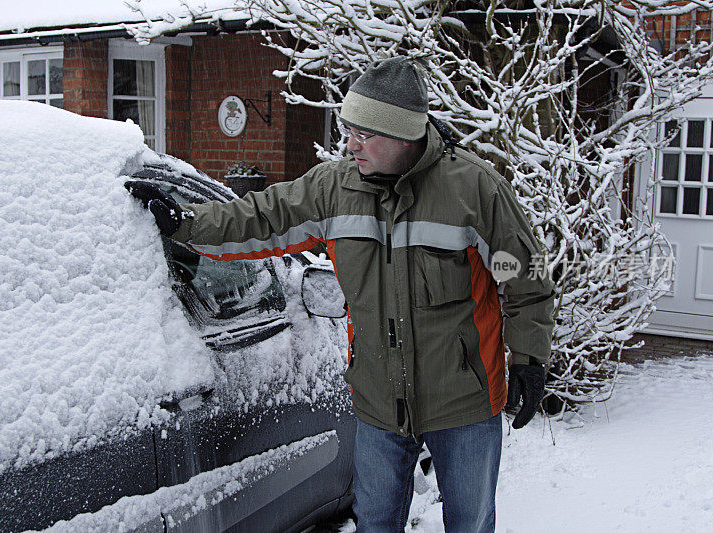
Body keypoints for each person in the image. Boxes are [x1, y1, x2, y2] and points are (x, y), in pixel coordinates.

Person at [126, 56, 555, 532]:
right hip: (378, 402)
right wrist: (186, 223)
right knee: (374, 523)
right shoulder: (333, 188)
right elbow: (260, 218)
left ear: (404, 136)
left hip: (465, 403)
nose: (349, 144)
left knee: (471, 525)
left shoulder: (475, 191)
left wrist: (529, 360)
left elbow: (527, 277)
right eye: (347, 130)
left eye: (363, 134)